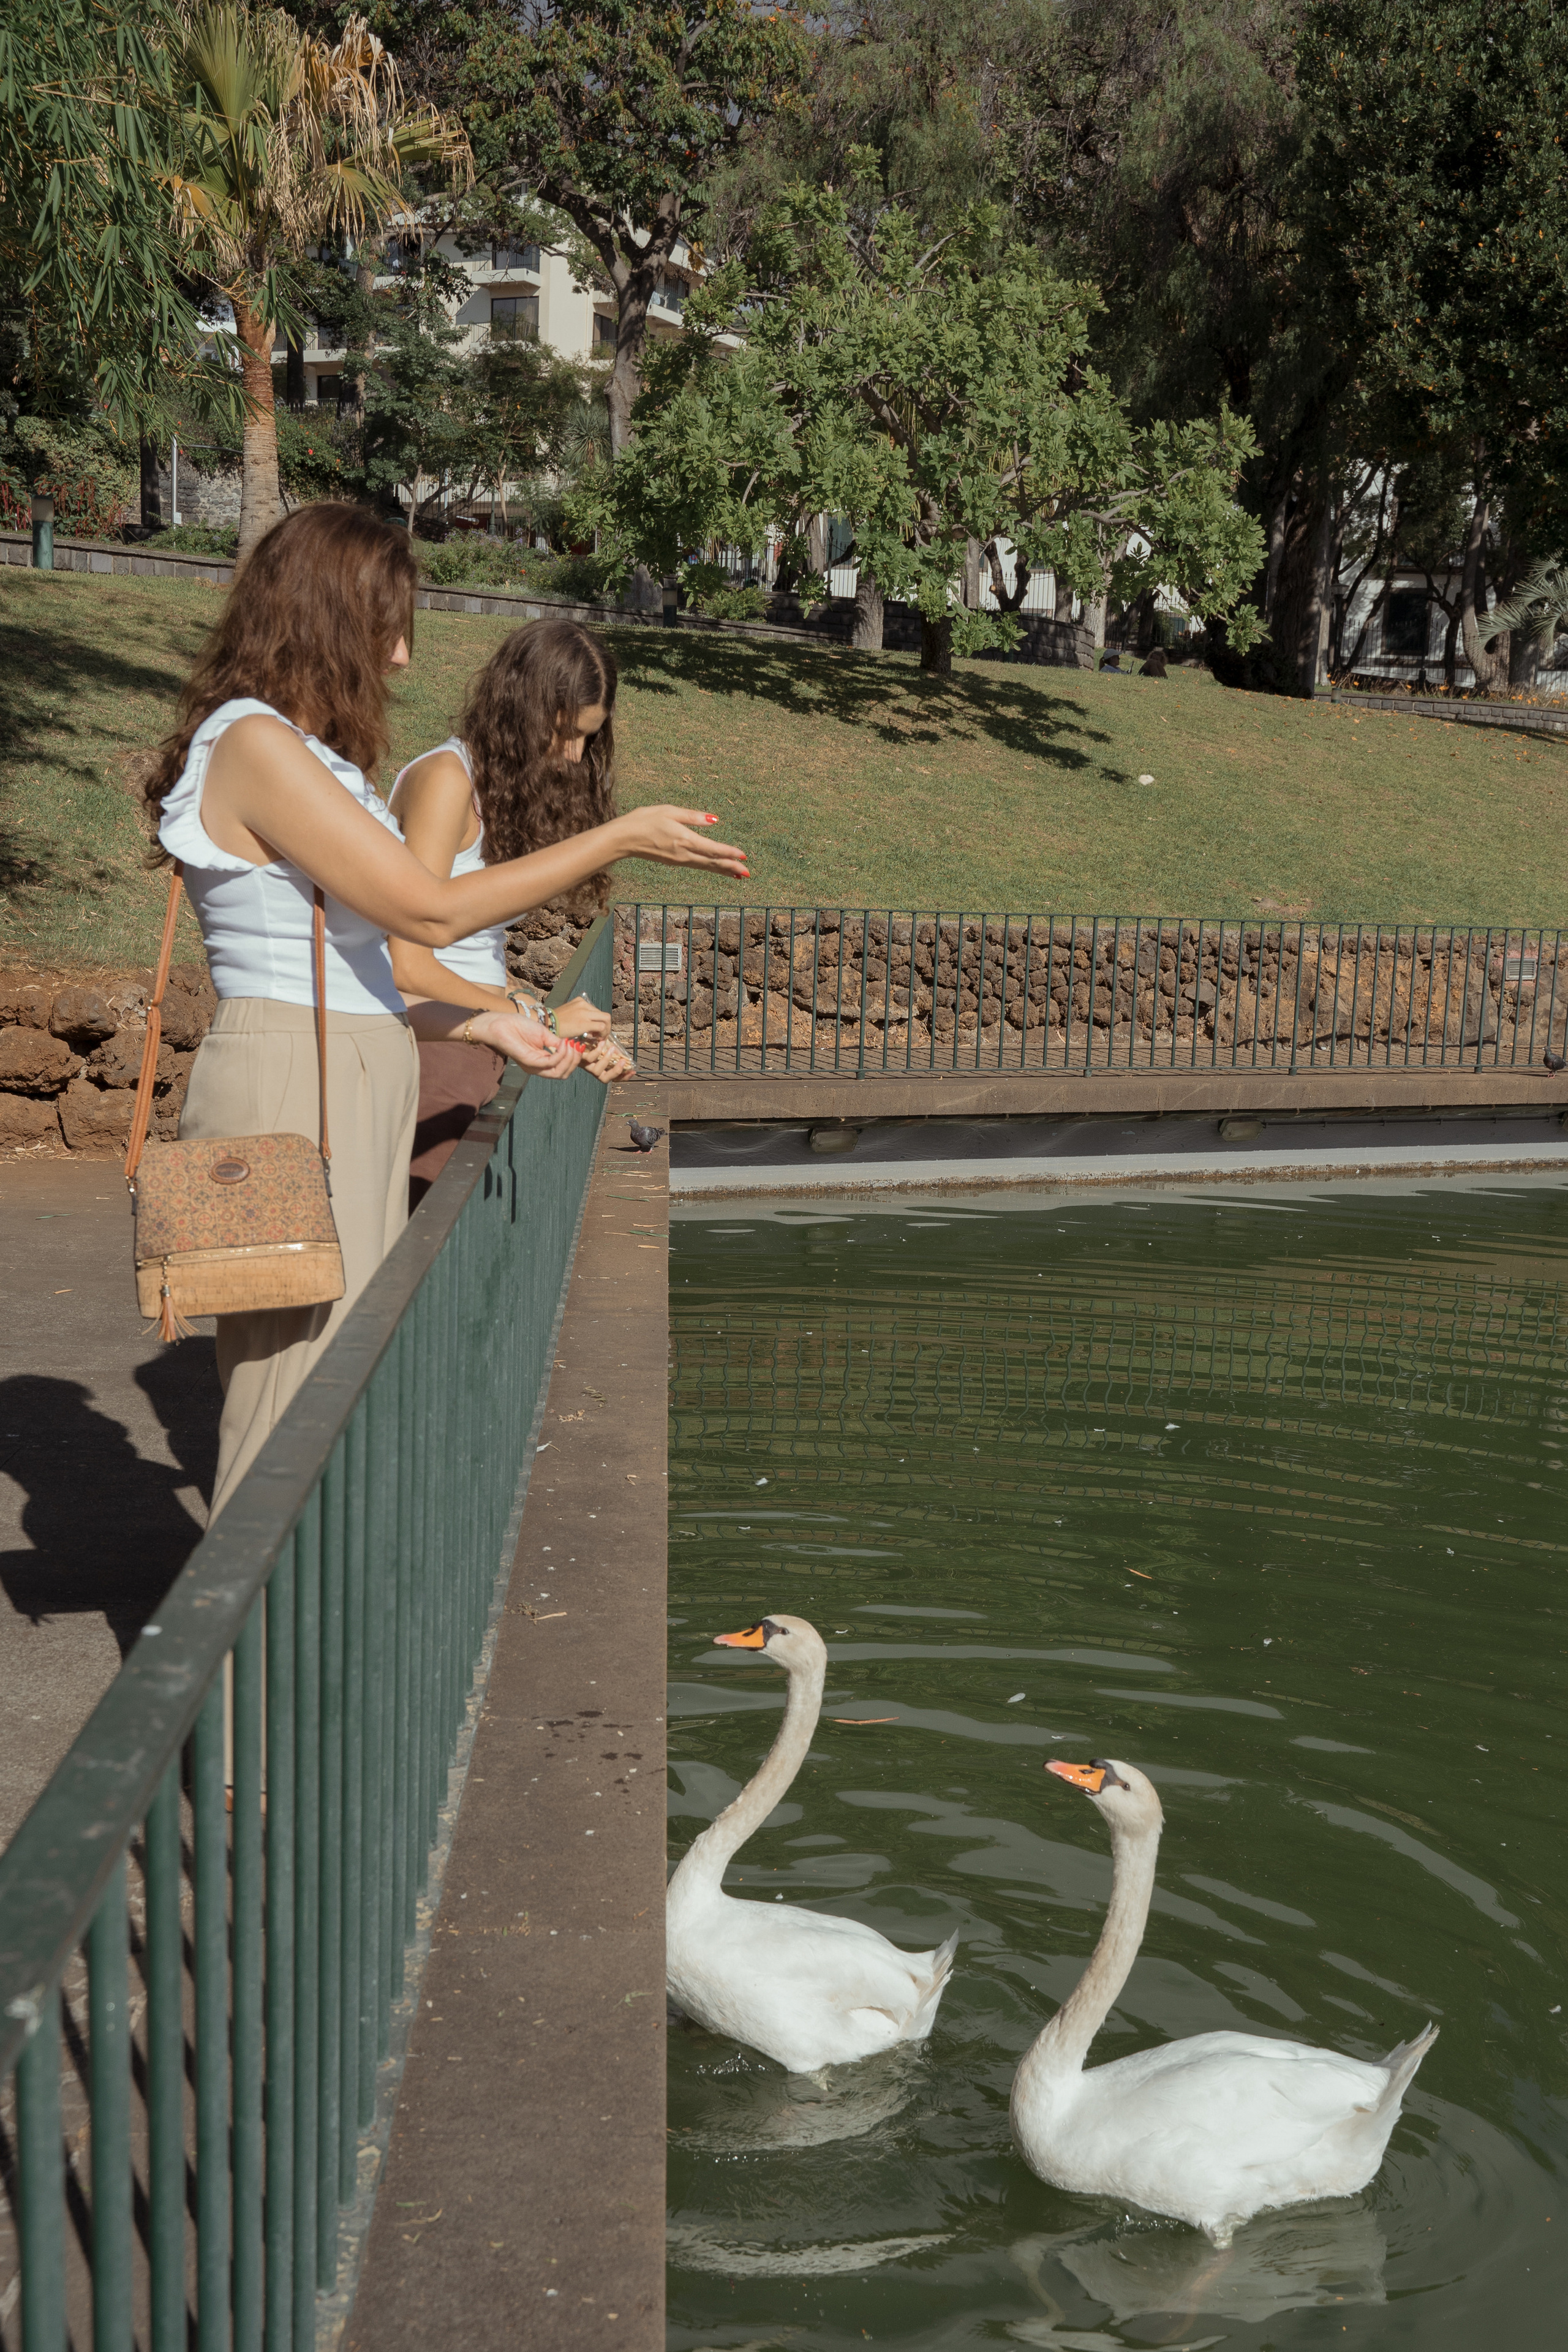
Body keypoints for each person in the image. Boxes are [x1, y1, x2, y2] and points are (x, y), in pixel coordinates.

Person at [143, 503, 747, 1517]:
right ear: (326, 615)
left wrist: (485, 1021)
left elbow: (369, 967)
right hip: (304, 1076)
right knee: (289, 1410)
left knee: (340, 1391)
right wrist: (618, 837)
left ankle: (302, 1657)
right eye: (389, 621)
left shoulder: (303, 752)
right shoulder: (252, 741)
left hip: (354, 1061)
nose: (404, 654)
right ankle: (251, 1670)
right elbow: (423, 913)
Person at [389, 619, 631, 1207]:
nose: (575, 757)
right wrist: (542, 1021)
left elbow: (470, 956)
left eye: (589, 740)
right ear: (521, 710)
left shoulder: (500, 789)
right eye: (566, 734)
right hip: (427, 1050)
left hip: (474, 1039)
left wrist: (545, 1027)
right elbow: (409, 965)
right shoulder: (447, 782)